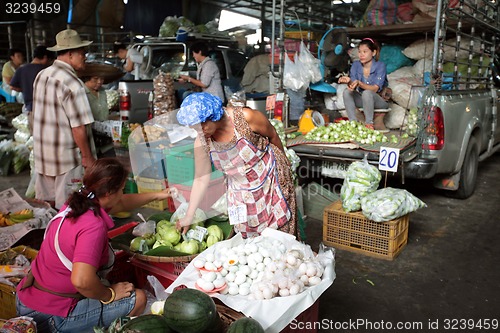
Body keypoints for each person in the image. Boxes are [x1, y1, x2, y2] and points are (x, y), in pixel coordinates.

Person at [16, 157, 174, 333]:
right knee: (138, 298)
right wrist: (110, 294)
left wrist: (160, 194)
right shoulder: (93, 226)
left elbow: (121, 202)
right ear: (108, 193)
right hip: (52, 315)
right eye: (121, 189)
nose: (122, 194)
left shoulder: (77, 204)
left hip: (29, 299)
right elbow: (81, 281)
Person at [175, 92, 297, 238]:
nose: (200, 131)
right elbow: (201, 178)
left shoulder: (246, 118)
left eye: (202, 125)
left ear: (213, 115)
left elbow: (273, 136)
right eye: (195, 128)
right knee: (250, 245)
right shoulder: (202, 141)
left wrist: (284, 166)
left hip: (270, 183)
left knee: (280, 237)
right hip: (240, 194)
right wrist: (189, 215)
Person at [32, 29, 96, 209]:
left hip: (43, 154)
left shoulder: (42, 75)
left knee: (47, 207)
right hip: (66, 159)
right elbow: (79, 128)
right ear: (70, 54)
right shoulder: (73, 84)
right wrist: (88, 158)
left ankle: (48, 237)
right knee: (69, 209)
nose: (85, 56)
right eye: (82, 53)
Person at [338, 38, 389, 130]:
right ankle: (353, 123)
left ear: (373, 53)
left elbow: (375, 89)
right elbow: (353, 85)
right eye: (359, 52)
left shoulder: (380, 66)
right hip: (363, 100)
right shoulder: (355, 65)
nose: (361, 55)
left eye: (365, 51)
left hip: (379, 100)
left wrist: (360, 84)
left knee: (367, 93)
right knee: (346, 92)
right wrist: (349, 81)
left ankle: (369, 124)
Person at [10, 46, 54, 133]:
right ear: (45, 57)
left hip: (31, 110)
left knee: (36, 139)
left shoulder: (21, 69)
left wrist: (25, 89)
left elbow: (12, 86)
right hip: (47, 110)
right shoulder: (46, 70)